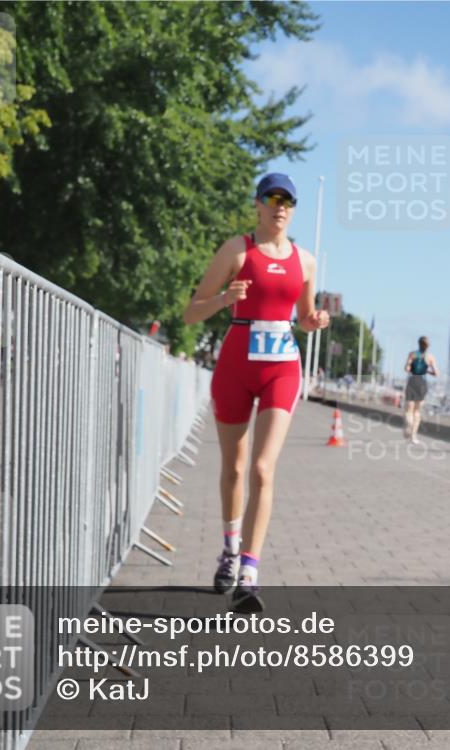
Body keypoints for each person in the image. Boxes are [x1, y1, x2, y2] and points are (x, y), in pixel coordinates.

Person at [183, 173, 330, 613]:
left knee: (263, 469)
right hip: (235, 366)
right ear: (258, 204)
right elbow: (192, 313)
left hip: (281, 367)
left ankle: (250, 569)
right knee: (234, 468)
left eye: (288, 200)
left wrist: (314, 322)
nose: (280, 206)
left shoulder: (306, 260)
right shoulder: (237, 249)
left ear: (293, 209)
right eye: (272, 197)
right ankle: (229, 550)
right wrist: (226, 299)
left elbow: (302, 316)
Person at [402, 336, 438, 443]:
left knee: (409, 409)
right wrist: (427, 371)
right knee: (417, 411)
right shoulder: (430, 357)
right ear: (427, 346)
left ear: (418, 344)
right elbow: (436, 373)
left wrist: (410, 366)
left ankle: (408, 425)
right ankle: (413, 436)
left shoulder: (412, 354)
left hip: (413, 380)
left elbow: (406, 369)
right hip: (422, 382)